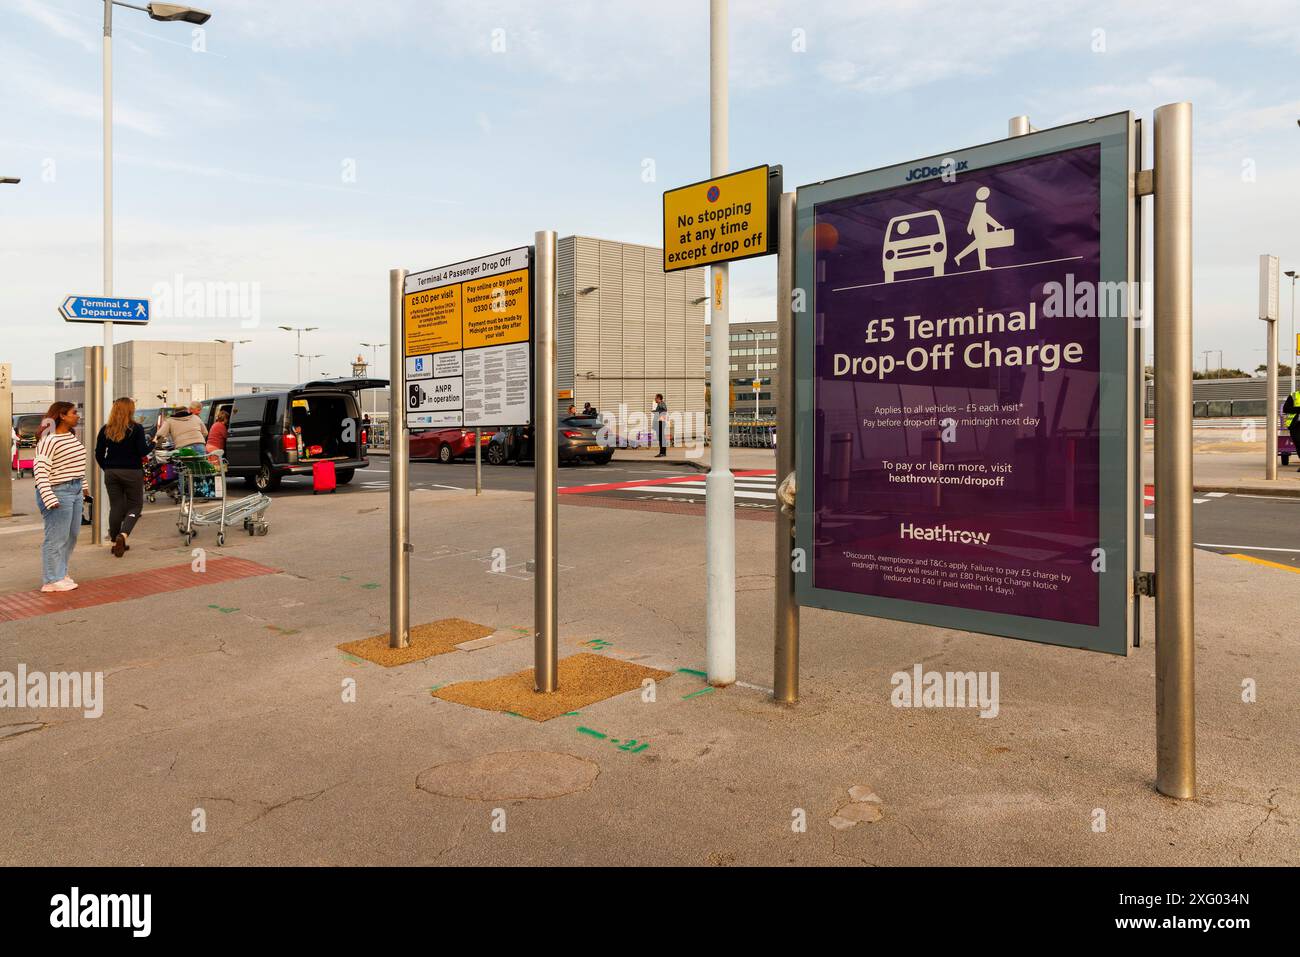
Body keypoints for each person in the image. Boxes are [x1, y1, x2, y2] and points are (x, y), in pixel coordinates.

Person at [33, 401, 90, 592]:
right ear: (62, 415)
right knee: (56, 537)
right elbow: (40, 471)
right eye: (74, 412)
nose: (78, 415)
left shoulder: (70, 436)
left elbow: (75, 465)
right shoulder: (49, 440)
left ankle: (61, 573)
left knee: (71, 536)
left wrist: (83, 486)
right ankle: (51, 579)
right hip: (57, 491)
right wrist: (48, 497)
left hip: (73, 490)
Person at [95, 397, 151, 558]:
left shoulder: (106, 429)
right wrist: (153, 443)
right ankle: (123, 535)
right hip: (132, 471)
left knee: (116, 506)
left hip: (112, 472)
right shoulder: (137, 429)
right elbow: (142, 452)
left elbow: (98, 453)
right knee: (135, 506)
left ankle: (114, 541)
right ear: (130, 410)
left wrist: (106, 467)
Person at [1284, 389, 1300, 472]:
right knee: (1298, 444)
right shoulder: (1293, 396)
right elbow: (1285, 409)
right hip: (1295, 425)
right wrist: (1298, 409)